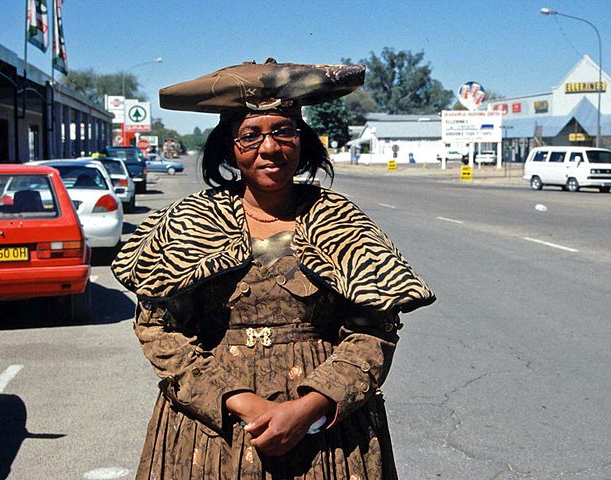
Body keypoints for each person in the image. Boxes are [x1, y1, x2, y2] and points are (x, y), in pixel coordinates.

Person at [112, 58, 436, 479]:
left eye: (283, 131)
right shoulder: (191, 220)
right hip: (214, 434)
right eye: (251, 135)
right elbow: (158, 330)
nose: (269, 148)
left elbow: (374, 330)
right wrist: (240, 401)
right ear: (229, 147)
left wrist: (309, 407)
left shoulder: (337, 218)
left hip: (325, 438)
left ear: (303, 142)